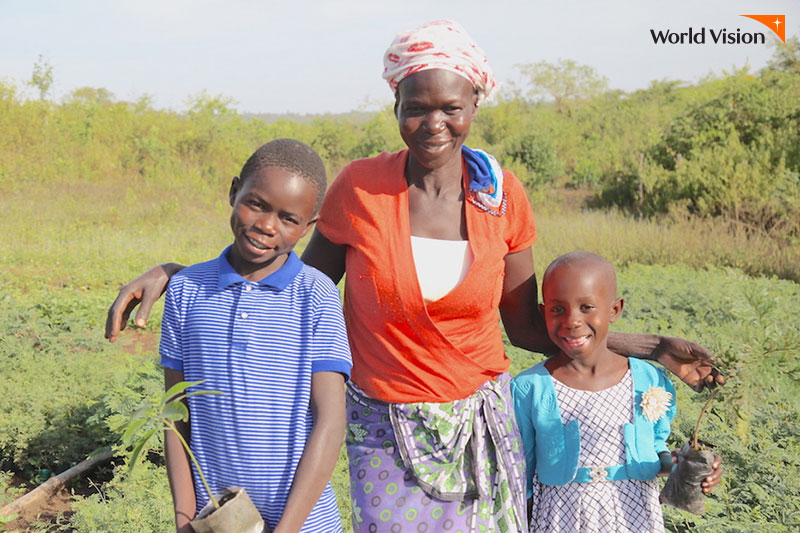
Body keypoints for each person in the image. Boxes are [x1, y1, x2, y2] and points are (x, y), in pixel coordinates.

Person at [106, 20, 723, 533]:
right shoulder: (360, 189)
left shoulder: (501, 199)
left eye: (451, 108)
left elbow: (530, 328)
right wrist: (181, 275)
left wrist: (651, 348)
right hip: (383, 429)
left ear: (474, 105)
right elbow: (290, 278)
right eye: (416, 107)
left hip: (482, 423)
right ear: (395, 107)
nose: (434, 124)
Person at [159, 139, 352, 533]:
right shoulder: (186, 290)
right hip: (217, 519)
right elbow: (175, 418)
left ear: (309, 226)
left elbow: (330, 421)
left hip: (304, 521)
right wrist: (184, 519)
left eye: (288, 218)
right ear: (234, 192)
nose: (267, 226)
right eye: (257, 204)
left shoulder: (315, 294)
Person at [512, 251, 678, 532]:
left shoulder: (648, 379)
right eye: (557, 309)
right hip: (561, 520)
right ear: (543, 313)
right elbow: (521, 471)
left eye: (587, 307)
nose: (572, 321)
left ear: (614, 310)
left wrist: (679, 467)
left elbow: (657, 445)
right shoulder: (530, 387)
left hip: (634, 518)